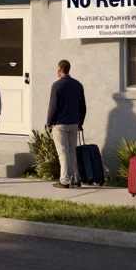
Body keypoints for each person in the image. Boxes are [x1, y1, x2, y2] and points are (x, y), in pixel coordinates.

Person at [45, 59, 86, 189]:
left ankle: (65, 180)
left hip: (60, 124)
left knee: (63, 152)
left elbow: (53, 106)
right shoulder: (78, 85)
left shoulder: (56, 85)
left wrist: (49, 123)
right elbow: (83, 106)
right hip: (74, 123)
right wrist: (80, 122)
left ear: (61, 69)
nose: (57, 71)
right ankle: (75, 178)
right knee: (72, 151)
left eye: (57, 69)